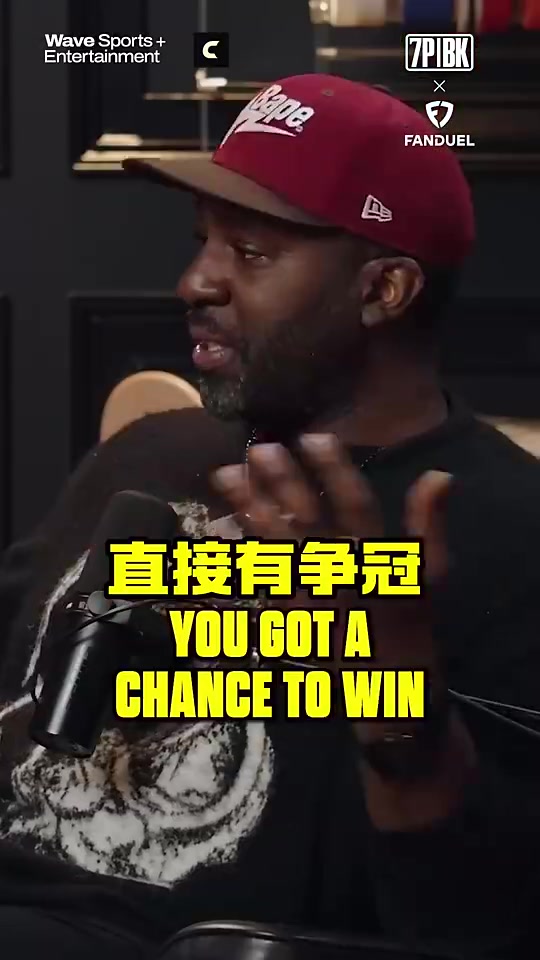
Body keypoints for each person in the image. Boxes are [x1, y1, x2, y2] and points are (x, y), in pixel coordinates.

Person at [1, 74, 540, 960]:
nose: (193, 282)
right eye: (202, 243)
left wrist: (397, 710)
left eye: (250, 253)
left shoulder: (502, 531)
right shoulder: (151, 454)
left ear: (385, 289)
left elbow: (472, 919)